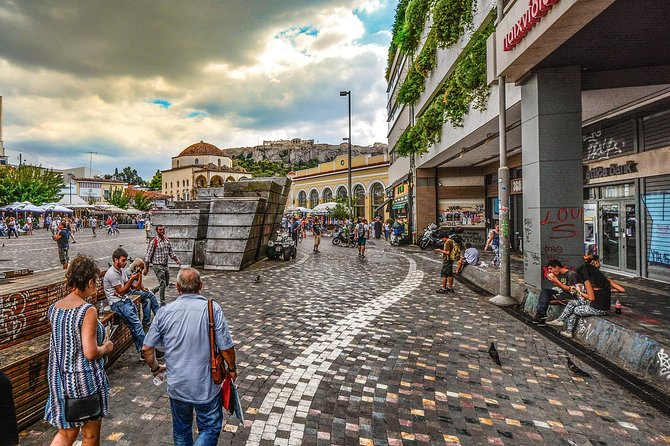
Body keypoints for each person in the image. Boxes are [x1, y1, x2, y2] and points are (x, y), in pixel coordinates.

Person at [142, 268, 237, 446]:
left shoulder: (165, 312)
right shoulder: (212, 309)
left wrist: (156, 368)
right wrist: (232, 369)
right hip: (205, 386)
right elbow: (227, 348)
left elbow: (147, 348)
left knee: (181, 429)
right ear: (200, 285)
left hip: (178, 385)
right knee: (210, 428)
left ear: (177, 287)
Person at [44, 255, 113, 446]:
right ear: (90, 281)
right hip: (83, 382)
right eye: (96, 282)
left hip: (59, 381)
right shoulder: (87, 310)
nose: (96, 286)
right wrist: (105, 348)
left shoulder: (54, 308)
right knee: (90, 436)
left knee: (66, 433)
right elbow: (90, 352)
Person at [104, 247, 164, 360]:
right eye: (123, 260)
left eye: (126, 260)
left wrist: (139, 275)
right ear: (115, 260)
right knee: (136, 325)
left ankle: (143, 352)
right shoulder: (112, 273)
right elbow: (121, 291)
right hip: (118, 304)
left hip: (125, 301)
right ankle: (148, 351)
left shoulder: (121, 271)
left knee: (135, 326)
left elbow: (135, 287)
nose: (125, 262)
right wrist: (131, 279)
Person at [547, 262, 626, 337]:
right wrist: (607, 290)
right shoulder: (606, 280)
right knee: (572, 302)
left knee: (574, 309)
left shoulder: (589, 283)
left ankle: (568, 330)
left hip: (596, 308)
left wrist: (579, 292)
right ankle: (560, 320)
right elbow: (622, 290)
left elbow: (591, 298)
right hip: (606, 308)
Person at [532, 260, 582, 326]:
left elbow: (572, 291)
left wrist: (556, 281)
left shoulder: (571, 275)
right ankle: (541, 315)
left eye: (551, 269)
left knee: (545, 299)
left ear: (557, 267)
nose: (550, 271)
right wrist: (554, 281)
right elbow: (560, 286)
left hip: (570, 296)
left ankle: (541, 316)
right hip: (562, 292)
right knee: (544, 292)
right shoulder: (560, 274)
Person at [144, 225, 182, 306]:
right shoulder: (154, 242)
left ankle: (152, 291)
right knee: (162, 283)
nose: (162, 231)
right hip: (157, 265)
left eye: (163, 230)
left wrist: (177, 260)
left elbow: (171, 252)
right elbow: (148, 256)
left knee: (166, 283)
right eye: (160, 230)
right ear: (157, 231)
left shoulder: (166, 240)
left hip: (165, 265)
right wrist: (146, 268)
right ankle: (162, 302)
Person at [127, 258, 161, 328]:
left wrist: (143, 288)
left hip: (135, 292)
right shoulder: (128, 272)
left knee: (147, 300)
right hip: (130, 293)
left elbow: (139, 284)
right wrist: (140, 275)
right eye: (141, 269)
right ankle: (159, 315)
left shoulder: (134, 271)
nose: (142, 271)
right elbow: (136, 286)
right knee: (151, 295)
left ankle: (146, 322)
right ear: (137, 267)